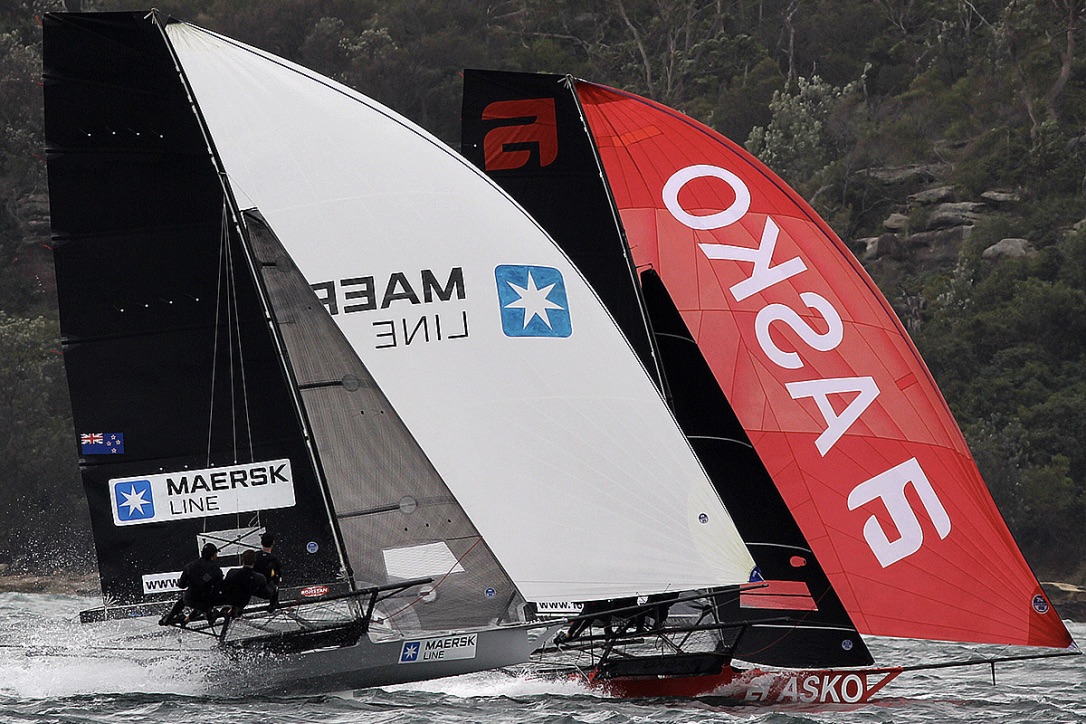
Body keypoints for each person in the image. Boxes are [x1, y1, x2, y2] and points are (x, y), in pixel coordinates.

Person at [160, 543, 224, 626]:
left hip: (188, 599)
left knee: (184, 599)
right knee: (206, 602)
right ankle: (206, 616)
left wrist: (193, 583)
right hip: (203, 603)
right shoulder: (216, 570)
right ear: (213, 555)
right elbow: (217, 590)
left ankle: (169, 619)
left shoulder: (190, 566)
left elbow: (181, 585)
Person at [219, 548, 275, 619]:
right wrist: (273, 584)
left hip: (230, 599)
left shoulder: (232, 572)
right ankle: (274, 604)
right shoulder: (259, 578)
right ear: (255, 561)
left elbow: (224, 587)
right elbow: (268, 594)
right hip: (242, 601)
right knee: (270, 588)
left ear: (243, 560)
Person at [252, 532, 281, 610]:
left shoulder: (254, 556)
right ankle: (274, 605)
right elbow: (278, 576)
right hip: (266, 591)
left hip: (252, 589)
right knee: (276, 582)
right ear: (273, 543)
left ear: (261, 543)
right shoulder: (274, 559)